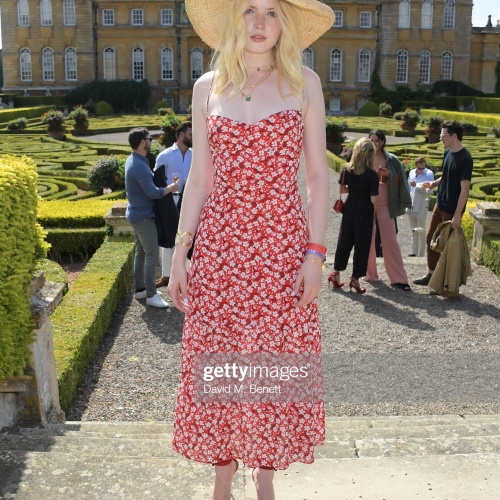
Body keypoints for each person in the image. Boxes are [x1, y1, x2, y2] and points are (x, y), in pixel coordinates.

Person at [168, 0, 334, 498]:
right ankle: (222, 480)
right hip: (220, 250)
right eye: (248, 10)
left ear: (285, 22)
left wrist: (315, 254)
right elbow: (199, 179)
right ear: (232, 20)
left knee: (272, 363)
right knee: (219, 359)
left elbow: (319, 177)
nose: (259, 23)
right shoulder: (206, 88)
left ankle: (264, 477)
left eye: (271, 11)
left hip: (281, 249)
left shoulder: (305, 83)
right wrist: (180, 254)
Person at [124, 127, 179, 308]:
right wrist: (171, 188)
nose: (150, 141)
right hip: (143, 217)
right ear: (142, 142)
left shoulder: (134, 160)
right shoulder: (139, 165)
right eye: (149, 138)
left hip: (136, 214)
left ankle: (140, 289)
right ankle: (151, 295)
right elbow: (153, 193)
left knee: (141, 253)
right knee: (152, 256)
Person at [413, 121, 473, 286]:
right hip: (440, 204)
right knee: (431, 240)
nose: (440, 138)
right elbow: (446, 176)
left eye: (443, 135)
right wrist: (433, 184)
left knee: (447, 249)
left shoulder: (465, 159)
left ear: (453, 136)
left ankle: (444, 282)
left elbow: (465, 189)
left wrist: (457, 216)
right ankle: (431, 275)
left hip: (451, 209)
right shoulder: (447, 153)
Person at [328, 138, 379, 294]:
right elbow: (373, 199)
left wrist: (355, 189)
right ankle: (355, 279)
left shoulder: (347, 169)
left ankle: (336, 273)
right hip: (364, 211)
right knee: (361, 245)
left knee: (344, 240)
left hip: (349, 209)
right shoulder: (372, 174)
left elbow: (342, 190)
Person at [365, 129, 412, 291]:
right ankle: (370, 274)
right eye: (371, 140)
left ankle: (399, 279)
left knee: (390, 241)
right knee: (367, 240)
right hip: (367, 204)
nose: (374, 143)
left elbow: (402, 180)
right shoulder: (364, 158)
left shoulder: (391, 159)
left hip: (386, 204)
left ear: (382, 142)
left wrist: (389, 175)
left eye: (376, 140)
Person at [154, 121, 193, 288]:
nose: (193, 137)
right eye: (190, 134)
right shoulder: (164, 156)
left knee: (188, 236)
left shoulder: (195, 155)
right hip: (170, 200)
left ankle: (186, 275)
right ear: (182, 135)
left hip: (189, 200)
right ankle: (166, 276)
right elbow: (156, 181)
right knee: (170, 236)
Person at [407, 156, 434, 257]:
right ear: (415, 166)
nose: (421, 170)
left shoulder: (429, 174)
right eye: (419, 168)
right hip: (411, 203)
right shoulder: (411, 173)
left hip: (422, 205)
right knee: (413, 229)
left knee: (421, 230)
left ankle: (421, 255)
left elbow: (430, 190)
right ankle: (414, 252)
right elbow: (408, 188)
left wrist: (417, 185)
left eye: (423, 168)